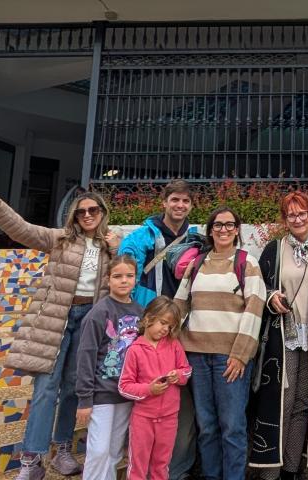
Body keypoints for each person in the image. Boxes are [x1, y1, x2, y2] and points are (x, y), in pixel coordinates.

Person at [0, 178, 119, 479]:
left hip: (91, 321)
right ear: (73, 216)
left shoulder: (110, 245)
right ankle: (31, 460)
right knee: (46, 389)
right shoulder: (60, 238)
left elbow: (127, 275)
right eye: (80, 211)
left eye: (93, 210)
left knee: (74, 387)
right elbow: (23, 229)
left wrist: (116, 247)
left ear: (102, 212)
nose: (87, 215)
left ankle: (61, 449)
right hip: (56, 319)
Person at [174, 206, 266, 480]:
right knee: (207, 426)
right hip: (196, 356)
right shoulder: (197, 263)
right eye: (218, 225)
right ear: (210, 229)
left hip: (230, 360)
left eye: (229, 225)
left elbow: (255, 308)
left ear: (237, 230)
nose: (223, 229)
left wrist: (240, 355)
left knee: (233, 427)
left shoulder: (247, 263)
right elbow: (180, 306)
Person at [249, 191, 308, 479]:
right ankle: (269, 471)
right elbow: (259, 287)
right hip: (282, 336)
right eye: (291, 215)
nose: (298, 219)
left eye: (302, 213)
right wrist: (272, 296)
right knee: (280, 401)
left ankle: (290, 469)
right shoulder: (274, 249)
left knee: (303, 403)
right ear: (285, 220)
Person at [118, 178, 197, 479]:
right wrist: (155, 312)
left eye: (185, 201)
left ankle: (172, 471)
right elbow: (128, 275)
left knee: (177, 402)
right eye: (174, 200)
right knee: (142, 395)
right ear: (164, 202)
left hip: (182, 328)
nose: (179, 206)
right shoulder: (142, 237)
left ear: (191, 205)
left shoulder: (196, 237)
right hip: (152, 326)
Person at [75, 254, 143, 480]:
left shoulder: (140, 312)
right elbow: (86, 356)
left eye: (129, 276)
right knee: (99, 450)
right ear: (107, 280)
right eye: (117, 276)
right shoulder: (99, 312)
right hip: (101, 394)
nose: (124, 280)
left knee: (114, 451)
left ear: (136, 278)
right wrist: (85, 398)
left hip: (125, 394)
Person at [119, 296, 192, 480]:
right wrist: (148, 390)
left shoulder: (174, 345)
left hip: (169, 418)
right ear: (148, 318)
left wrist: (178, 375)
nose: (166, 329)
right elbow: (124, 386)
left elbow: (187, 370)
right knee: (138, 467)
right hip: (143, 419)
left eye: (170, 326)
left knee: (162, 466)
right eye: (163, 323)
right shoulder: (135, 350)